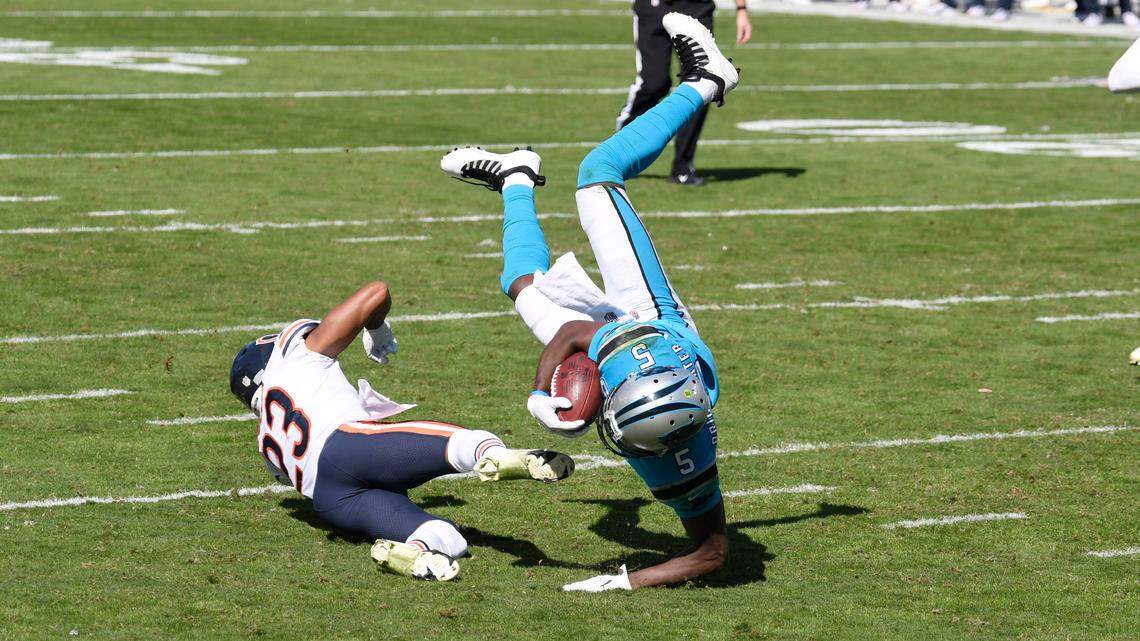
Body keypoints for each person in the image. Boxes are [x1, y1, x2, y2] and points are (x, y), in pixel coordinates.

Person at [440, 13, 738, 590]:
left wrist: (624, 582)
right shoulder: (642, 357)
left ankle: (516, 179)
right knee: (598, 174)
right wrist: (536, 393)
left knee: (524, 289)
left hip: (648, 367)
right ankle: (708, 79)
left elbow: (710, 555)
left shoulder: (670, 453)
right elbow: (575, 337)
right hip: (655, 319)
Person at [228, 281, 575, 582]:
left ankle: (416, 553)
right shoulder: (296, 356)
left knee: (448, 537)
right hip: (347, 447)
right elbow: (376, 293)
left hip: (330, 500)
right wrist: (376, 329)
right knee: (462, 441)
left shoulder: (266, 440)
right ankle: (498, 456)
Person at [616, 0, 751, 186]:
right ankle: (621, 139)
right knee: (655, 83)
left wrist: (741, 9)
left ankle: (682, 167)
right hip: (655, 7)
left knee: (702, 86)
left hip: (696, 6)